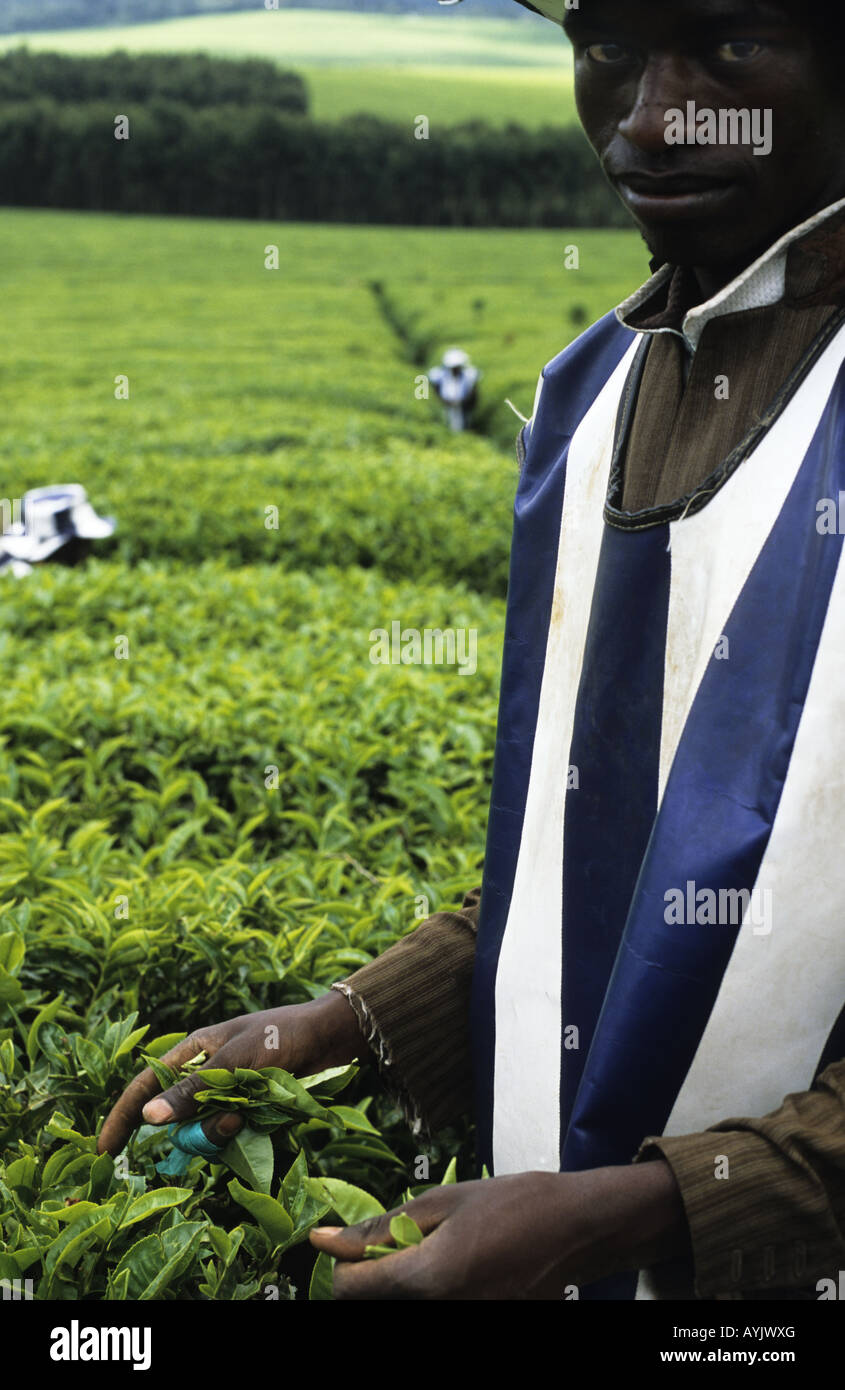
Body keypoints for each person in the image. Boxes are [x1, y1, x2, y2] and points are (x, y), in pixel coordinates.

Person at [100, 0, 845, 1300]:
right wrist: (344, 1023)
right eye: (610, 45)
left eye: (727, 42)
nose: (654, 119)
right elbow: (594, 865)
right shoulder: (585, 404)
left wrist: (632, 1215)